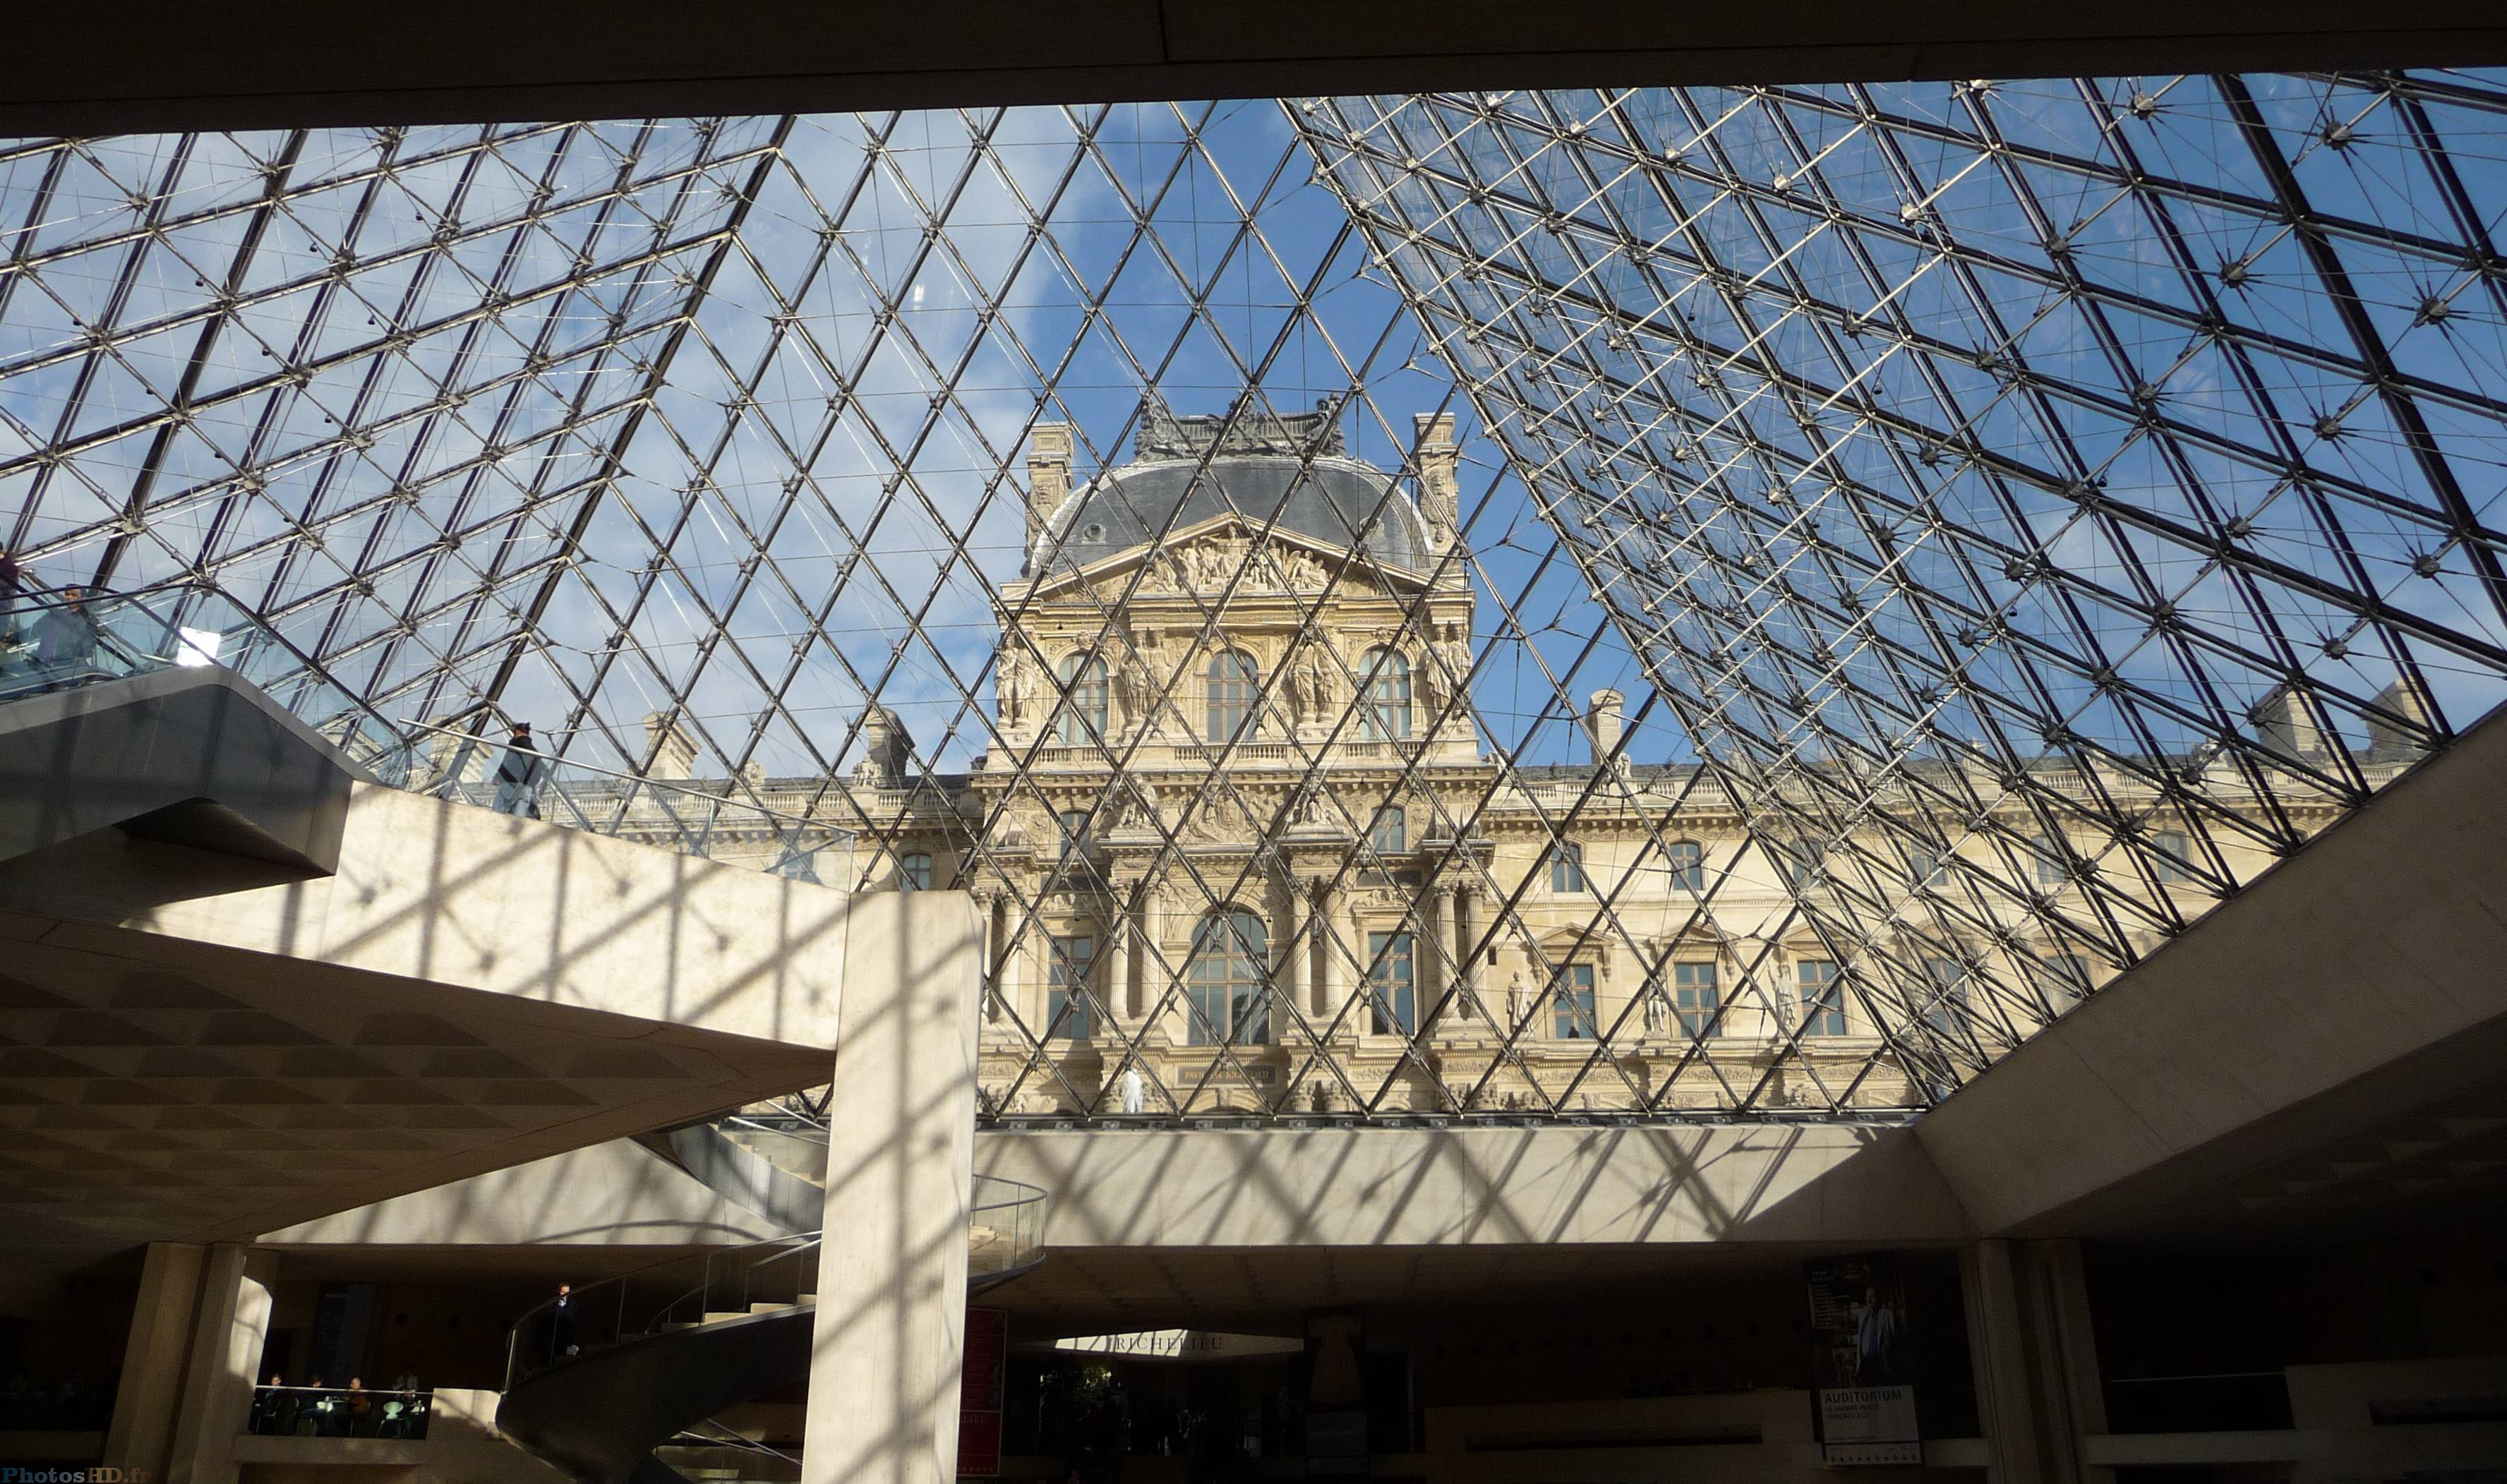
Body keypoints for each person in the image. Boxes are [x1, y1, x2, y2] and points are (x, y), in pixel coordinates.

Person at [32, 586, 98, 678]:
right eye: (67, 594)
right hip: (41, 665)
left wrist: (79, 657)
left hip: (65, 667)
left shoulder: (88, 620)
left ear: (83, 598)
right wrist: (11, 639)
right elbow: (34, 630)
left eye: (74, 595)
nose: (69, 597)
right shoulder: (54, 615)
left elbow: (89, 642)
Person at [492, 723, 543, 818]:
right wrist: (531, 784)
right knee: (518, 819)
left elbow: (507, 763)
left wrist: (498, 777)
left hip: (511, 784)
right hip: (527, 788)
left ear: (518, 731)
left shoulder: (515, 746)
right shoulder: (536, 752)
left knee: (497, 812)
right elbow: (539, 771)